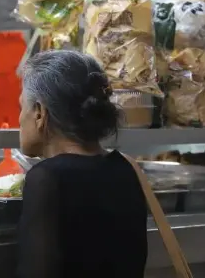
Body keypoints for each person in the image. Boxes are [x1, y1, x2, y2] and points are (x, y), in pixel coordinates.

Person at [17, 50, 147, 278]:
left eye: (21, 107)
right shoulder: (126, 167)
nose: (19, 118)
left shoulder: (47, 178)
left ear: (39, 114)